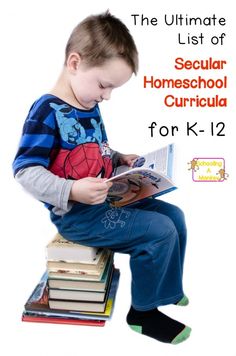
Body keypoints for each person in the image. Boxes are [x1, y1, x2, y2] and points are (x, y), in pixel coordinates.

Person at [12, 11, 191, 344]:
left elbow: (95, 150)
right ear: (75, 62)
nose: (107, 95)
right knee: (159, 231)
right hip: (80, 217)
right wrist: (71, 190)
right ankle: (142, 313)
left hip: (109, 198)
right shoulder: (45, 112)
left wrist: (120, 158)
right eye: (105, 85)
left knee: (175, 217)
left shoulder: (87, 102)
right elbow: (24, 170)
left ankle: (166, 289)